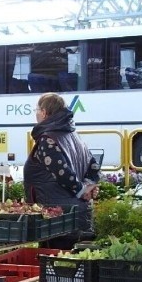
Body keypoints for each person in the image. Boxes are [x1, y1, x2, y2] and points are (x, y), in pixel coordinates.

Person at [23, 93, 100, 232]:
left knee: (56, 252)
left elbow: (63, 173)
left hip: (58, 219)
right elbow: (94, 167)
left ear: (44, 113)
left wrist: (82, 191)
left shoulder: (48, 139)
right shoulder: (74, 136)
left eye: (37, 110)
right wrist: (89, 186)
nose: (36, 114)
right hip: (78, 213)